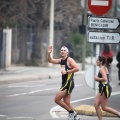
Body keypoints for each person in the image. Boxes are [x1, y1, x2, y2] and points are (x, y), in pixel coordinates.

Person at [47, 46, 79, 120]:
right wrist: (49, 53)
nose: (62, 51)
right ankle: (76, 117)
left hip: (69, 83)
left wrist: (67, 71)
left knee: (57, 99)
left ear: (67, 52)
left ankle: (71, 112)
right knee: (67, 102)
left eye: (64, 50)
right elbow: (50, 61)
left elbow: (77, 68)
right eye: (61, 50)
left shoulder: (69, 60)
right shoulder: (61, 60)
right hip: (64, 82)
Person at [94, 56, 120, 120]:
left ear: (101, 62)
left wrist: (97, 78)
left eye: (97, 60)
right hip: (102, 88)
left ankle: (118, 114)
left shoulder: (102, 68)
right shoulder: (102, 68)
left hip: (105, 88)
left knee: (104, 107)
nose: (96, 61)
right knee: (96, 105)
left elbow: (105, 79)